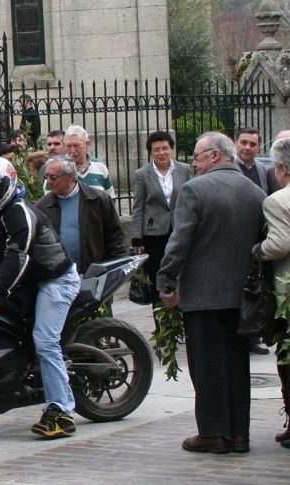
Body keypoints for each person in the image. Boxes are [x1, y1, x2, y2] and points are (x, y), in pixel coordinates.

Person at [157, 132, 266, 454]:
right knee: (236, 363)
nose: (195, 162)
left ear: (215, 156)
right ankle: (239, 434)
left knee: (206, 365)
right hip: (242, 297)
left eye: (198, 156)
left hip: (203, 297)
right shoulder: (255, 192)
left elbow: (180, 241)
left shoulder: (194, 190)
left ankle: (213, 433)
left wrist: (166, 280)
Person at [0, 154, 80, 439]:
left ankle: (61, 411)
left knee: (44, 340)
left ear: (6, 185)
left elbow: (17, 258)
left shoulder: (19, 213)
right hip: (27, 283)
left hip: (54, 280)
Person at [131, 131, 192, 323]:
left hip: (179, 230)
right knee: (157, 276)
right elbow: (138, 206)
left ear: (172, 149)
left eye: (165, 148)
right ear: (150, 152)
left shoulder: (184, 170)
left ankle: (182, 318)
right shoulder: (142, 174)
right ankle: (162, 323)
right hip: (154, 234)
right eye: (156, 150)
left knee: (181, 274)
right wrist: (137, 237)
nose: (161, 153)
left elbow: (191, 199)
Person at [253, 136, 290, 449]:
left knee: (287, 359)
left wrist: (257, 250)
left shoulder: (277, 201)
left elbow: (278, 244)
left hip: (287, 293)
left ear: (281, 168)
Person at [36, 156, 126, 274]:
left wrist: (114, 270)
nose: (48, 181)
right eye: (46, 176)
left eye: (54, 177)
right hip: (58, 278)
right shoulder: (42, 206)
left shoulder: (98, 199)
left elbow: (115, 237)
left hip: (93, 274)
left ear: (70, 177)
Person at [234, 127, 279, 355]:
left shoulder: (265, 170)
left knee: (256, 288)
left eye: (252, 144)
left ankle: (254, 334)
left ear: (258, 147)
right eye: (244, 142)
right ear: (236, 143)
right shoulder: (231, 169)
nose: (247, 148)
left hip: (258, 239)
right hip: (235, 238)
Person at [63, 124, 116, 198]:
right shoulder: (56, 169)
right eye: (69, 146)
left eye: (76, 145)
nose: (72, 150)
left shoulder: (100, 167)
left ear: (87, 144)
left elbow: (110, 199)